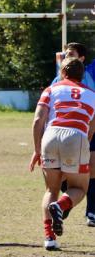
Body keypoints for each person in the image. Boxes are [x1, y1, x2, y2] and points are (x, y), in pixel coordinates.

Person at [30, 57, 95, 251]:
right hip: (77, 136)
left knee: (51, 189)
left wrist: (36, 150)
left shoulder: (51, 90)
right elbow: (91, 129)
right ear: (82, 75)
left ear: (63, 72)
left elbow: (37, 121)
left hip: (50, 136)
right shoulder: (92, 94)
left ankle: (49, 238)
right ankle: (62, 206)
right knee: (79, 188)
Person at [51, 43, 95, 226]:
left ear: (82, 58)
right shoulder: (57, 80)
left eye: (71, 54)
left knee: (91, 171)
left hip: (87, 127)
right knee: (63, 174)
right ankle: (64, 205)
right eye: (65, 54)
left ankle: (91, 212)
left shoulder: (89, 77)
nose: (66, 56)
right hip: (62, 133)